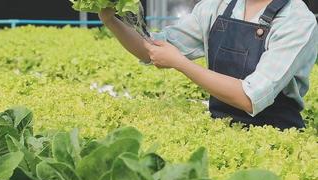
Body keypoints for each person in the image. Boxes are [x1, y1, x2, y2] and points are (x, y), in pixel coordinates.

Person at [98, 0, 318, 130]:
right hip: (220, 129)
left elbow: (250, 98)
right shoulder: (218, 6)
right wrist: (110, 20)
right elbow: (153, 48)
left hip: (275, 136)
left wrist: (180, 63)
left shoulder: (297, 21)